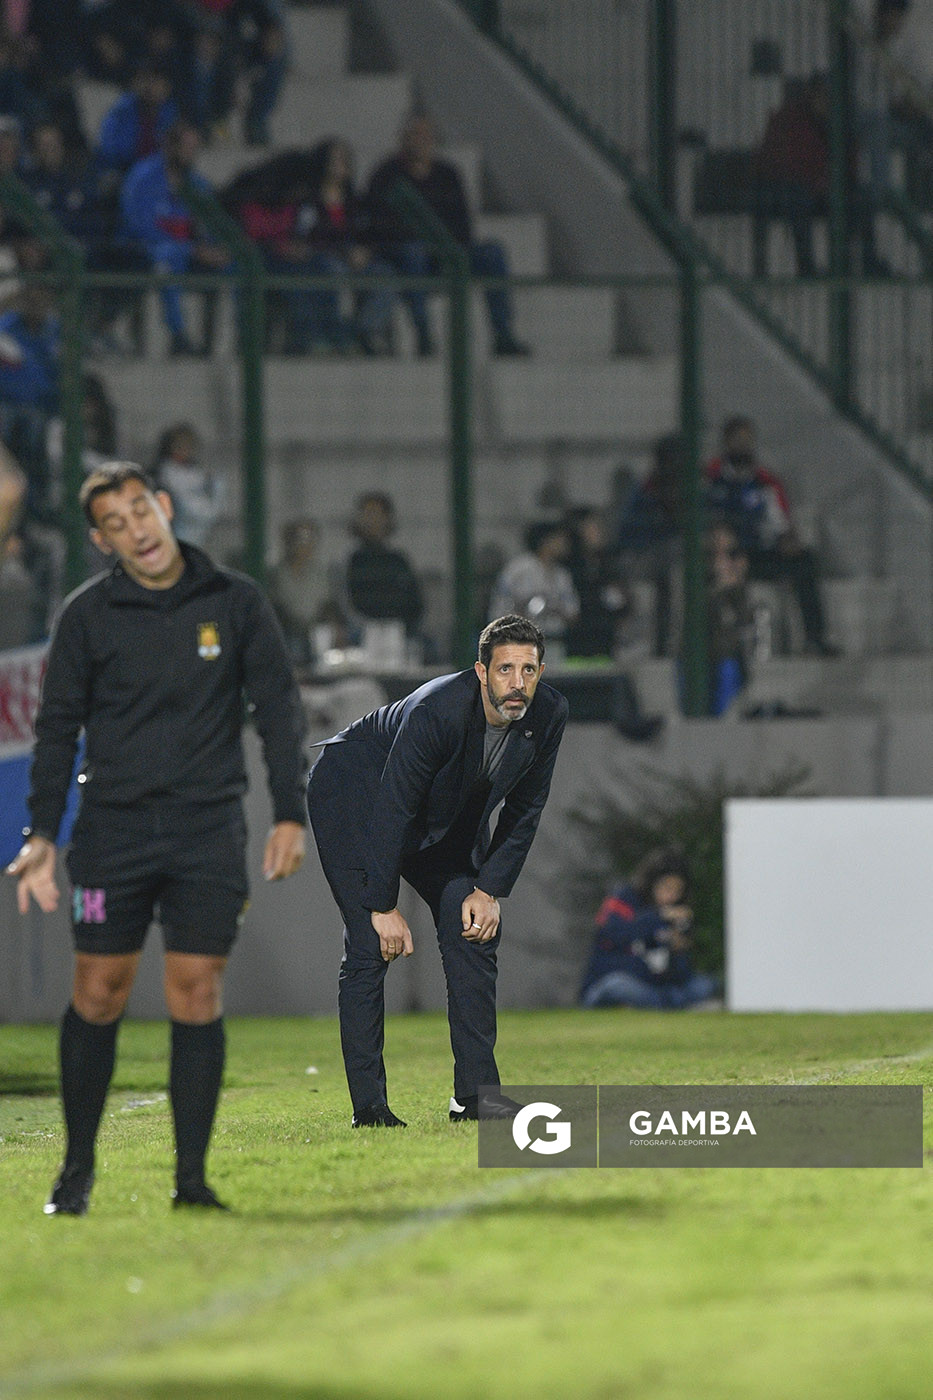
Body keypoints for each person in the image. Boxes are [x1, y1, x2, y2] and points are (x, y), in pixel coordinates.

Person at [5, 461, 307, 1216]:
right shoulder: (85, 616)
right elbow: (55, 733)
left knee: (195, 991)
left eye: (140, 509)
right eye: (114, 522)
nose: (134, 528)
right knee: (98, 993)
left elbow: (278, 710)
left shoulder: (235, 602)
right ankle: (75, 1172)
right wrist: (42, 833)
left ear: (165, 507)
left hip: (208, 829)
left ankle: (191, 1183)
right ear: (102, 541)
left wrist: (289, 813)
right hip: (114, 832)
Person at [307, 612, 568, 1125]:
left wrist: (488, 889)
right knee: (367, 944)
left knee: (473, 931)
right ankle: (371, 1109)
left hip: (443, 818)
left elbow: (526, 808)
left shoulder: (550, 713)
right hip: (356, 796)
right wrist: (382, 905)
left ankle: (474, 1098)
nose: (518, 684)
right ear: (480, 672)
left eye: (529, 671)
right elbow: (393, 806)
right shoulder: (438, 709)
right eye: (505, 670)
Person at [367, 113, 529, 357]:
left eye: (425, 135)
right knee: (413, 252)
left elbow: (463, 224)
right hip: (407, 257)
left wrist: (447, 248)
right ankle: (423, 333)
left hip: (447, 252)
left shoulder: (448, 174)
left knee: (492, 252)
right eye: (413, 135)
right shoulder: (385, 174)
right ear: (402, 139)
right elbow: (378, 226)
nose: (419, 141)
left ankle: (503, 333)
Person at [704, 416, 835, 655]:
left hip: (759, 554)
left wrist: (787, 538)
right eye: (738, 440)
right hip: (724, 556)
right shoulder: (710, 478)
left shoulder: (765, 481)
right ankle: (706, 642)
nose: (743, 446)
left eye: (748, 440)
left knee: (804, 561)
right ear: (725, 443)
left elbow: (782, 523)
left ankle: (814, 639)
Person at [753, 72, 887, 277]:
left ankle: (867, 261)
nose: (827, 101)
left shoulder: (839, 121)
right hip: (787, 188)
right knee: (798, 198)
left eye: (832, 96)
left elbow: (850, 164)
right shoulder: (788, 117)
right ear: (811, 94)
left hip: (822, 188)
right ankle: (806, 266)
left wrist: (836, 180)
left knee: (860, 197)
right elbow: (785, 163)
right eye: (823, 95)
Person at [120, 120, 233, 354]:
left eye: (195, 148)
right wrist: (191, 249)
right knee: (167, 257)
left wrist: (213, 249)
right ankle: (178, 335)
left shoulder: (198, 184)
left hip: (189, 252)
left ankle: (243, 339)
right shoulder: (143, 177)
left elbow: (211, 225)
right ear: (170, 147)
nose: (192, 154)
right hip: (142, 250)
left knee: (235, 263)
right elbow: (138, 224)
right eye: (187, 147)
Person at [579, 848, 719, 1010]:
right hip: (615, 982)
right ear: (652, 883)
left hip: (654, 987)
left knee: (704, 984)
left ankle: (661, 1004)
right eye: (667, 887)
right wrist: (658, 916)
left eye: (677, 890)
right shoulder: (623, 899)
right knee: (617, 986)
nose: (671, 895)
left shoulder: (678, 914)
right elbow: (615, 935)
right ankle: (669, 1005)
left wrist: (678, 949)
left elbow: (679, 975)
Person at [488, 521, 579, 655]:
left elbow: (573, 613)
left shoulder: (562, 575)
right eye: (559, 539)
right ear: (545, 541)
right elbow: (500, 609)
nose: (564, 544)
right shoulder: (518, 570)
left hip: (554, 642)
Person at [343, 491, 424, 640]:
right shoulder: (353, 561)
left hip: (400, 632)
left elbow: (416, 603)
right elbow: (349, 604)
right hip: (364, 632)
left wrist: (400, 626)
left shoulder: (398, 560)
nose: (372, 520)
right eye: (367, 514)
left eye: (377, 514)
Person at [266, 516, 343, 666]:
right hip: (288, 632)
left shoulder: (320, 573)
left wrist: (335, 627)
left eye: (310, 538)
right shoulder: (276, 573)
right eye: (300, 538)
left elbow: (328, 604)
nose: (304, 544)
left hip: (316, 631)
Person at [152, 422, 225, 548]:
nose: (184, 450)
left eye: (188, 446)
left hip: (198, 535)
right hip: (176, 534)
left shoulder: (197, 473)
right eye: (179, 446)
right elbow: (188, 507)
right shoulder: (166, 474)